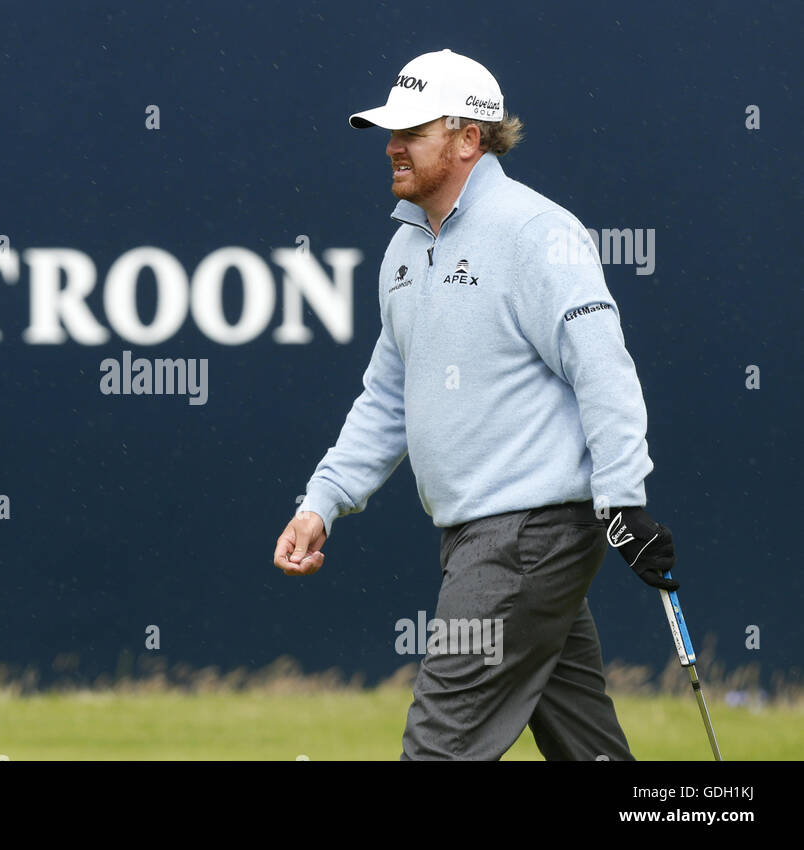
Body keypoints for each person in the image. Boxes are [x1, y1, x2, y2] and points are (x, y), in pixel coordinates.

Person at [270, 49, 677, 760]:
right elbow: (389, 394)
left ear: (468, 139)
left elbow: (603, 368)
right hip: (484, 537)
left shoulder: (536, 232)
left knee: (439, 742)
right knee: (590, 749)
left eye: (413, 131)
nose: (392, 146)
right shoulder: (404, 247)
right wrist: (321, 502)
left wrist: (621, 499)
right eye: (390, 132)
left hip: (523, 538)